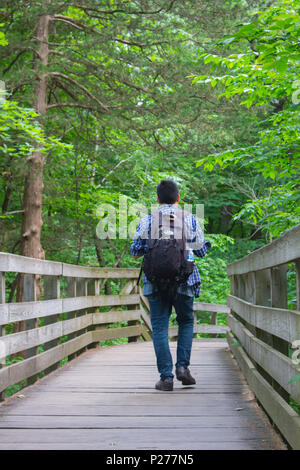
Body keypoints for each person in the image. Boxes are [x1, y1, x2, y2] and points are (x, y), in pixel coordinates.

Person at [130, 180, 211, 391]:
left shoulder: (148, 219)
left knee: (159, 327)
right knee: (185, 321)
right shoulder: (190, 219)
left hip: (154, 281)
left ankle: (166, 378)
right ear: (178, 198)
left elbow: (135, 250)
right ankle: (183, 368)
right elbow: (201, 251)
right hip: (184, 278)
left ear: (157, 199)